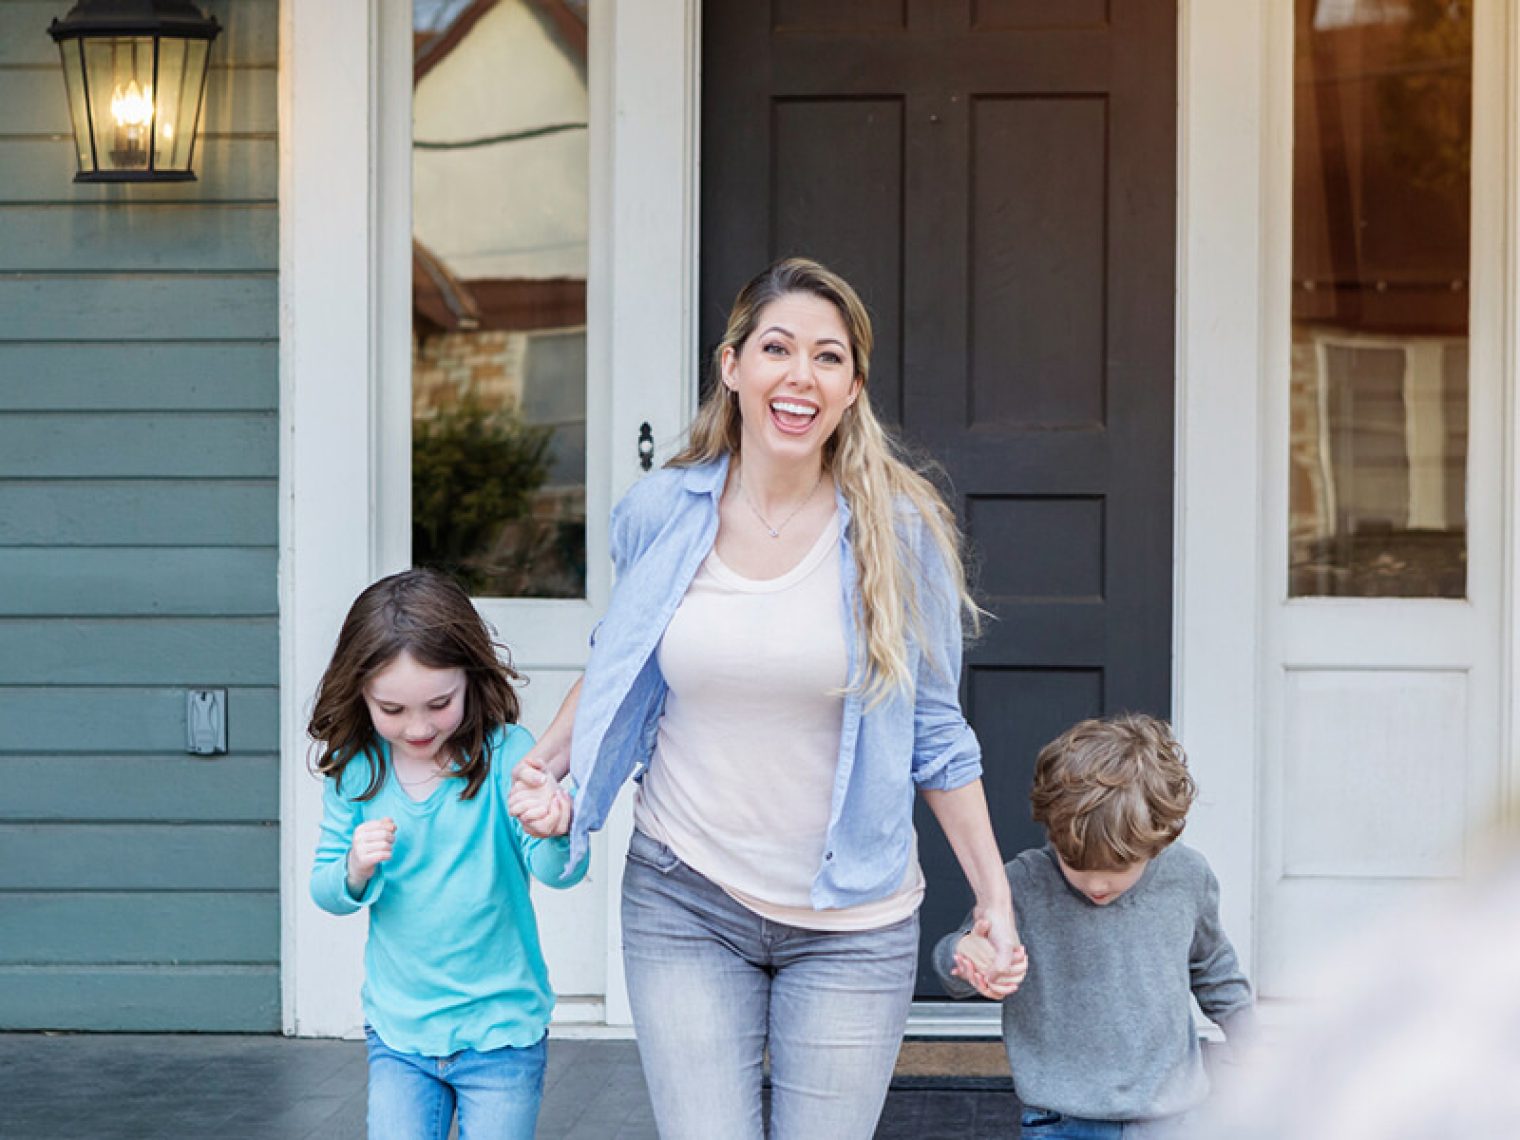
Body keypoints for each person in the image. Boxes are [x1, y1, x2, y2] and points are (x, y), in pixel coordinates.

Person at [509, 257, 1027, 1139]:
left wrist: (994, 899)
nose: (800, 375)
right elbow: (619, 657)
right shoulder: (661, 511)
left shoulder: (900, 530)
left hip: (853, 923)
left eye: (828, 357)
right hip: (683, 896)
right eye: (777, 348)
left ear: (852, 388)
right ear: (733, 366)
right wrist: (549, 767)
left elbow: (936, 730)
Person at [308, 568, 587, 1140]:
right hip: (400, 1035)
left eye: (439, 704)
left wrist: (557, 830)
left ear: (471, 677)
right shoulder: (358, 770)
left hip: (502, 1032)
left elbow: (557, 873)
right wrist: (354, 869)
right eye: (392, 710)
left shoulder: (507, 756)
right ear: (360, 693)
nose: (417, 727)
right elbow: (325, 890)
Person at [935, 714, 1254, 1139]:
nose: (1097, 885)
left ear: (1158, 839)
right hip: (1061, 1121)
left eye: (1118, 869)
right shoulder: (1022, 885)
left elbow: (1214, 968)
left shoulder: (1188, 877)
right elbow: (957, 970)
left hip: (1173, 1116)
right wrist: (964, 953)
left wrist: (1251, 1044)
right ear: (1053, 832)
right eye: (1076, 865)